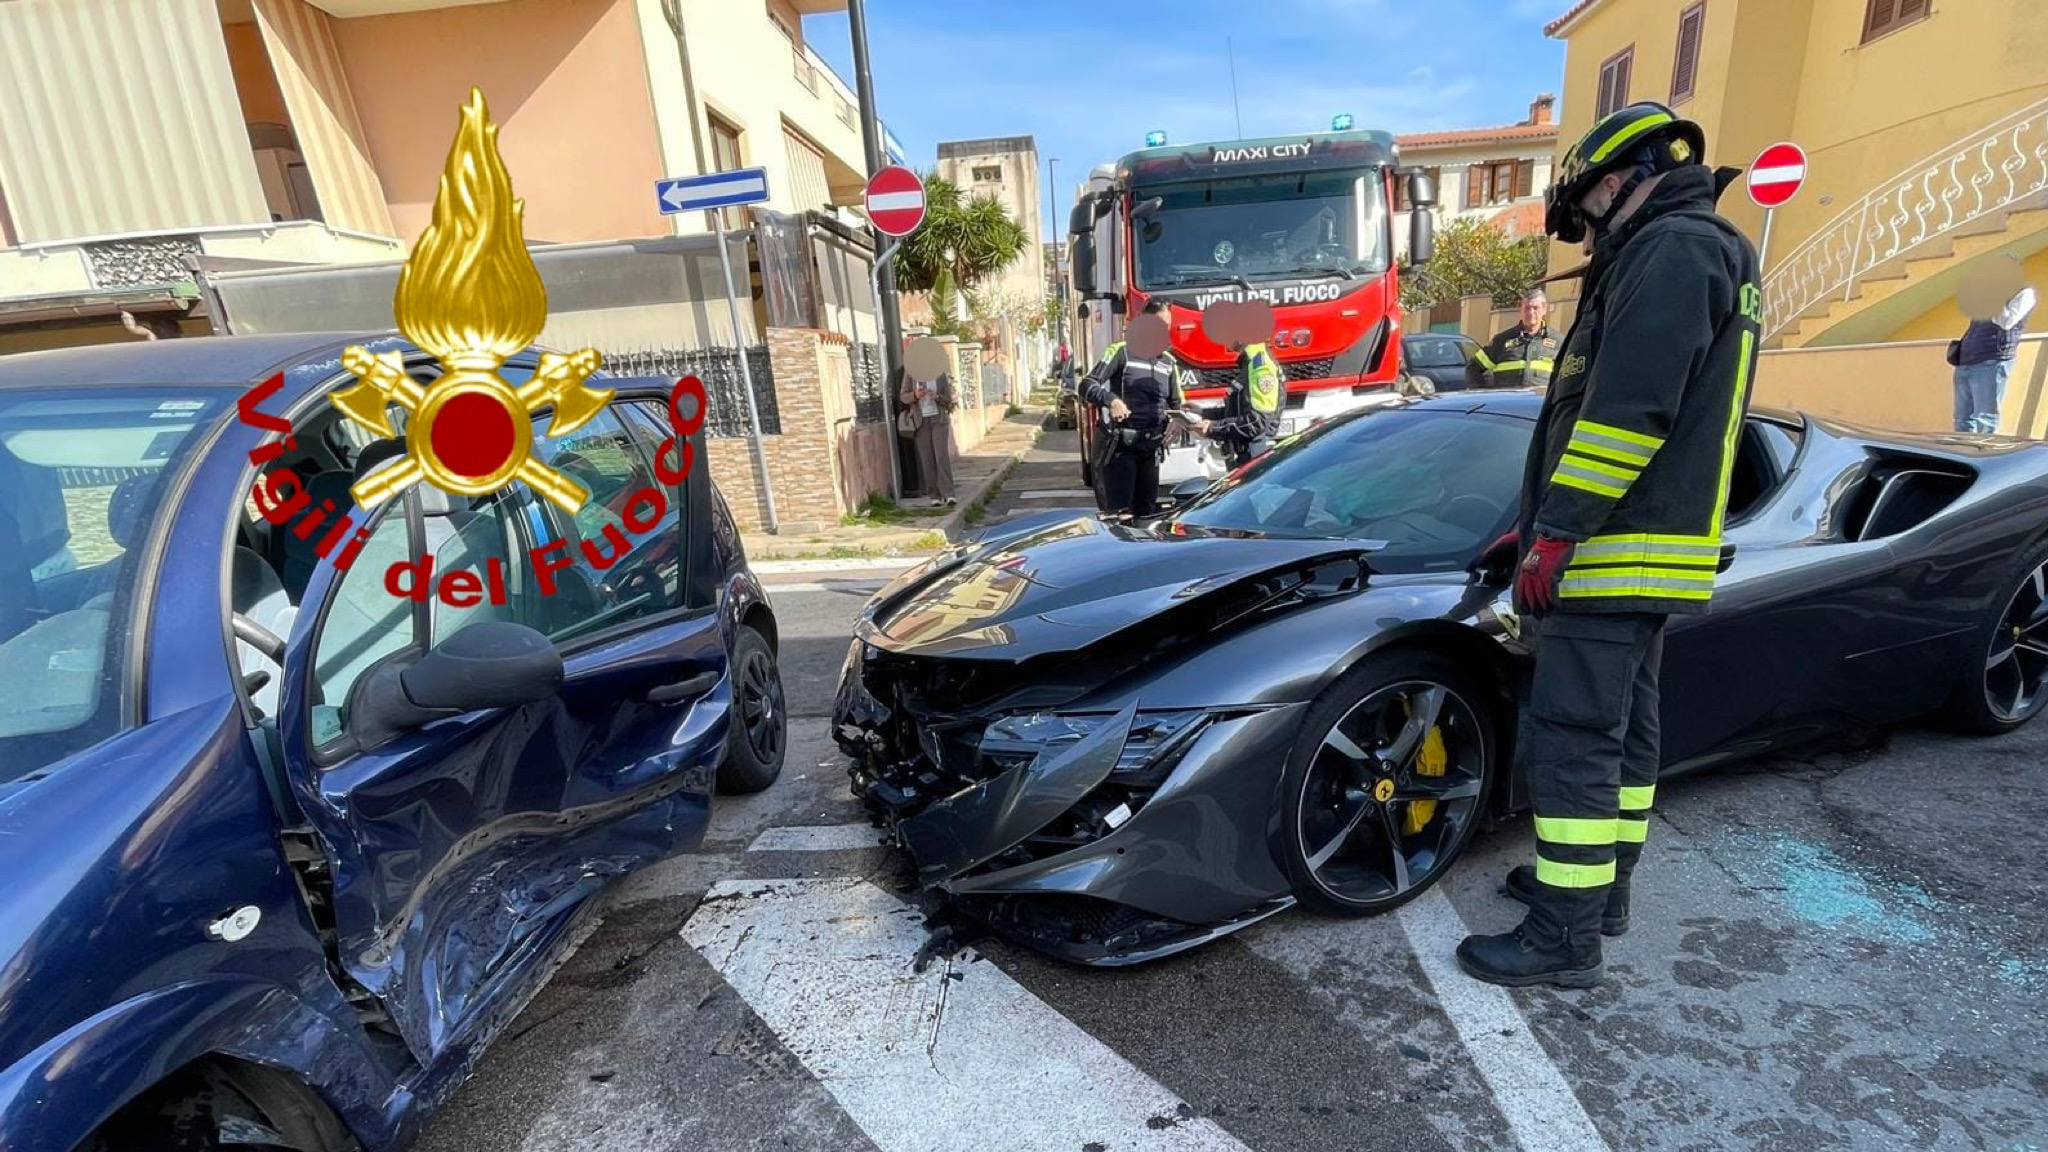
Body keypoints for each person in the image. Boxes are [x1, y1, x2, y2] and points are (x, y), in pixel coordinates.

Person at [1457, 101, 1761, 989]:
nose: (1588, 240)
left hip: (1614, 549)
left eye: (1587, 218)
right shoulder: (1711, 249)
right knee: (1625, 738)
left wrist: (1557, 533)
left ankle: (1562, 937)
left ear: (1620, 181)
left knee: (1575, 739)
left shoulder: (1671, 252)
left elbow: (1626, 417)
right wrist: (1540, 517)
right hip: (1650, 550)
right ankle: (1600, 894)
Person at [1082, 301, 1188, 518]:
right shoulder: (1121, 352)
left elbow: (1177, 403)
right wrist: (1111, 400)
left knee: (1147, 516)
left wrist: (1178, 421)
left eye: (1166, 325)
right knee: (1121, 516)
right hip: (1122, 448)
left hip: (1151, 449)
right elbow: (1087, 385)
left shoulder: (1168, 362)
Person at [1953, 272, 2036, 433]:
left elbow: (2006, 322)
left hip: (1991, 361)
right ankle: (1962, 455)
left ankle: (1983, 456)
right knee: (1962, 420)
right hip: (1966, 361)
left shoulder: (2024, 293)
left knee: (1985, 420)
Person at [1198, 323, 1283, 470]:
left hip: (1253, 458)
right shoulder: (1251, 362)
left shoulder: (1260, 366)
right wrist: (1202, 413)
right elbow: (1239, 410)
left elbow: (1257, 421)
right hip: (1245, 455)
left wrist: (1213, 428)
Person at [1467, 289, 1562, 390]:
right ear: (1520, 310)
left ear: (1544, 309)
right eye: (1527, 308)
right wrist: (1482, 393)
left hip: (1542, 403)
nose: (1531, 312)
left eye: (1535, 308)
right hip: (1507, 403)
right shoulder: (1502, 340)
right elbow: (1473, 367)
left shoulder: (1559, 342)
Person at [898, 366, 957, 507]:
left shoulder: (939, 372)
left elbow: (948, 399)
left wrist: (937, 397)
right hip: (920, 421)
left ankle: (949, 494)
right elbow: (903, 396)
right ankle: (934, 495)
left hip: (938, 419)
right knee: (927, 458)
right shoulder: (910, 372)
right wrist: (915, 396)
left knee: (941, 456)